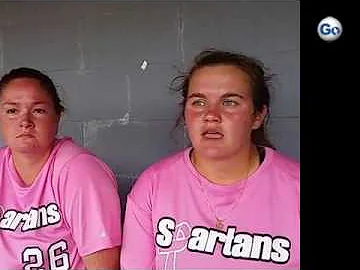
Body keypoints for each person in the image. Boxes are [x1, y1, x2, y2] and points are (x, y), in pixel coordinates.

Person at [120, 49, 299, 269]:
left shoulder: (294, 188)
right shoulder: (153, 186)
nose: (211, 115)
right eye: (199, 102)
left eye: (230, 102)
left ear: (258, 116)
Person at [0, 67, 122, 269]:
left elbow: (103, 266)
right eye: (12, 111)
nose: (25, 122)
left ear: (57, 117)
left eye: (38, 110)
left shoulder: (80, 170)